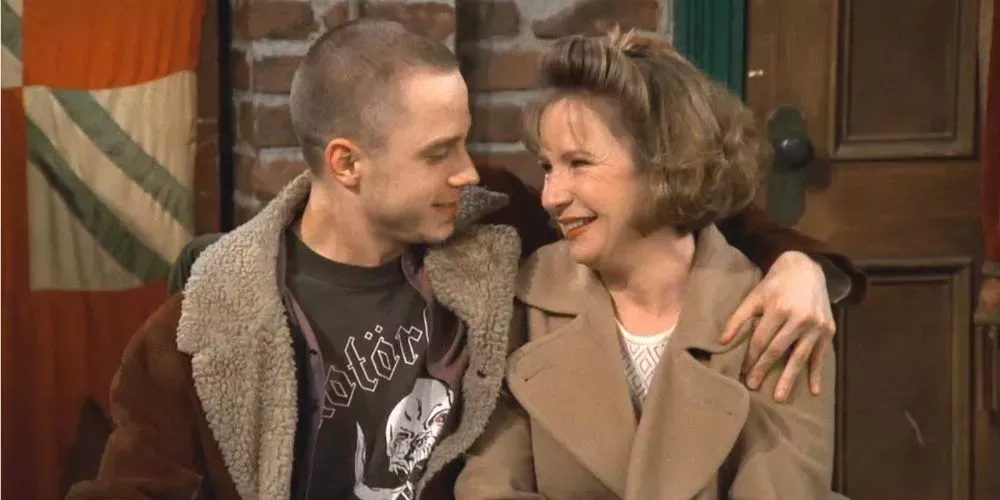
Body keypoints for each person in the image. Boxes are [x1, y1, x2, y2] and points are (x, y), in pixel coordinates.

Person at [68, 20, 859, 500]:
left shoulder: (493, 228)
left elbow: (677, 199)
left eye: (467, 143)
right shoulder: (206, 326)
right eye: (438, 151)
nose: (470, 172)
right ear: (347, 163)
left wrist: (802, 267)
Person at [455, 30, 838, 499]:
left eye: (579, 163)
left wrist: (803, 264)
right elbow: (489, 488)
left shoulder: (779, 320)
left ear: (665, 164)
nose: (551, 196)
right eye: (548, 167)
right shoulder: (521, 305)